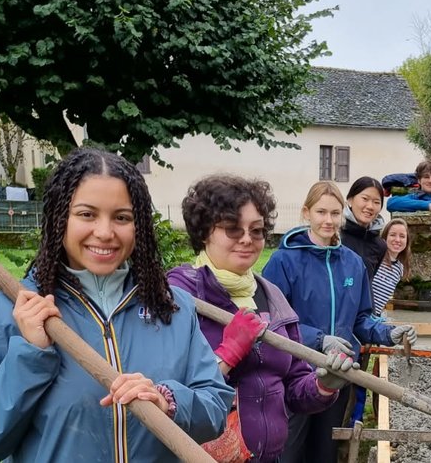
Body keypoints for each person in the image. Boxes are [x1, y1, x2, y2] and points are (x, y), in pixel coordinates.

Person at [0, 148, 234, 462]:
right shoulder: (4, 314)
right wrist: (29, 357)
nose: (105, 232)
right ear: (59, 218)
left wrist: (169, 401)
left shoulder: (172, 308)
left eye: (122, 217)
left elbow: (216, 407)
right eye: (87, 214)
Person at [167, 174, 354, 462]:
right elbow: (168, 395)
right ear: (204, 232)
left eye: (256, 230)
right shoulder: (181, 295)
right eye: (232, 229)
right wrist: (228, 353)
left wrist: (323, 385)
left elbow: (293, 388)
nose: (247, 239)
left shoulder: (271, 296)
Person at [261, 181, 417, 463]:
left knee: (325, 451)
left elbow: (361, 318)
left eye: (335, 213)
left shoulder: (352, 263)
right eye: (321, 212)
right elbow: (272, 321)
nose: (328, 220)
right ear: (306, 213)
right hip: (295, 375)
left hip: (338, 374)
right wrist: (319, 340)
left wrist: (388, 332)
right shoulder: (284, 261)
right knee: (289, 451)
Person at [341, 176, 388, 281]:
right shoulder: (334, 236)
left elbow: (368, 282)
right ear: (350, 200)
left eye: (376, 202)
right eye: (365, 199)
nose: (370, 206)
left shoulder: (380, 246)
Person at [371, 218, 412, 317]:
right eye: (393, 235)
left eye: (402, 236)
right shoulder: (375, 259)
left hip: (374, 319)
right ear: (385, 237)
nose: (397, 240)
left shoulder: (399, 269)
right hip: (361, 317)